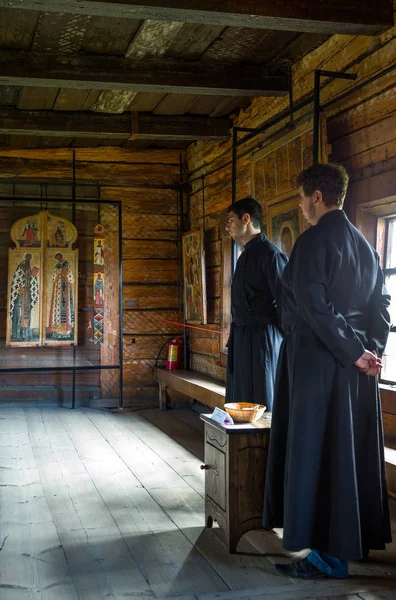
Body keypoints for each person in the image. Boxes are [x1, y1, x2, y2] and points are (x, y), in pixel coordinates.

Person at [264, 163, 391, 579]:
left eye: (303, 198)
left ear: (317, 196)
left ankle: (326, 559)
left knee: (318, 454)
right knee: (346, 457)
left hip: (319, 366)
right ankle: (347, 546)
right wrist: (371, 352)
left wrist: (355, 352)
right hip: (357, 371)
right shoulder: (366, 246)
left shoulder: (312, 241)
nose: (302, 207)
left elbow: (315, 308)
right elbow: (382, 308)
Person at [225, 197, 287, 412]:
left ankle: (265, 444)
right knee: (241, 399)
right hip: (243, 337)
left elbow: (285, 301)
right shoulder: (244, 255)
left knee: (262, 398)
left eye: (231, 220)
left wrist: (275, 338)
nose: (228, 227)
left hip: (263, 338)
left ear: (246, 219)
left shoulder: (271, 255)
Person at [10, 253, 39, 341]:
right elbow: (17, 280)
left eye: (29, 258)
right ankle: (17, 334)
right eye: (28, 258)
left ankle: (26, 334)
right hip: (20, 297)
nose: (28, 259)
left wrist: (32, 275)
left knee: (26, 316)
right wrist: (20, 290)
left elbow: (32, 282)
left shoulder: (29, 269)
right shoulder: (21, 267)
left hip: (27, 297)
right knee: (18, 316)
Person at [47, 253, 75, 338]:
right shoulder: (57, 265)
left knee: (66, 308)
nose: (58, 259)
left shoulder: (67, 264)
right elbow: (53, 277)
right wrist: (58, 276)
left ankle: (66, 331)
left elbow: (71, 276)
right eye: (57, 258)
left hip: (65, 288)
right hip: (58, 289)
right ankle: (57, 330)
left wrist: (65, 276)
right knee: (57, 308)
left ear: (61, 257)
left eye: (58, 257)